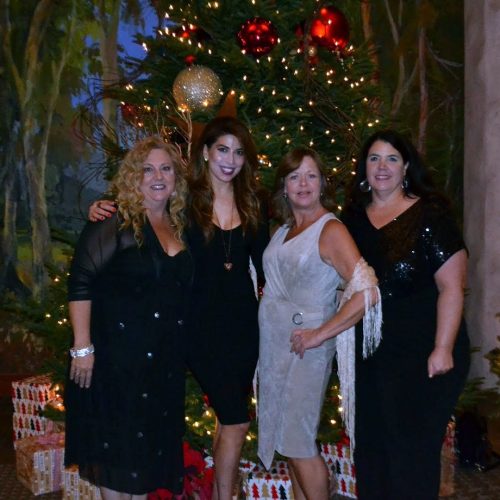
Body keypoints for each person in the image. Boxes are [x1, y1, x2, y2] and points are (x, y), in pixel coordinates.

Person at [88, 117, 269, 500]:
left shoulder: (254, 204)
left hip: (242, 329)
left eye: (238, 152)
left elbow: (269, 266)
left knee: (232, 421)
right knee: (225, 419)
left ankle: (223, 494)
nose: (230, 160)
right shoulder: (185, 200)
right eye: (222, 149)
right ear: (205, 152)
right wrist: (105, 207)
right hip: (193, 328)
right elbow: (144, 207)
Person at [341, 130, 470, 500]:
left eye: (392, 159)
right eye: (374, 159)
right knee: (373, 453)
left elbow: (451, 287)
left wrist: (442, 348)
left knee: (411, 454)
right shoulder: (351, 220)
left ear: (406, 167)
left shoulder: (430, 216)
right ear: (364, 168)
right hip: (371, 356)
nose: (383, 167)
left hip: (424, 354)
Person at [65, 137, 192, 500]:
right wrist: (82, 347)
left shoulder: (177, 223)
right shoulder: (115, 220)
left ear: (175, 178)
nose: (157, 176)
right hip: (114, 365)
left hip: (160, 368)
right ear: (133, 176)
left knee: (143, 466)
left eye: (165, 168)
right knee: (117, 461)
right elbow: (80, 282)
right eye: (147, 168)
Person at [258, 147, 382, 500]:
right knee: (289, 441)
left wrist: (319, 334)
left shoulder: (330, 230)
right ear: (283, 186)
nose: (303, 184)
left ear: (322, 183)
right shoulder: (284, 230)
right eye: (294, 176)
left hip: (304, 350)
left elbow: (368, 291)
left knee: (297, 442)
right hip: (277, 348)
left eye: (311, 175)